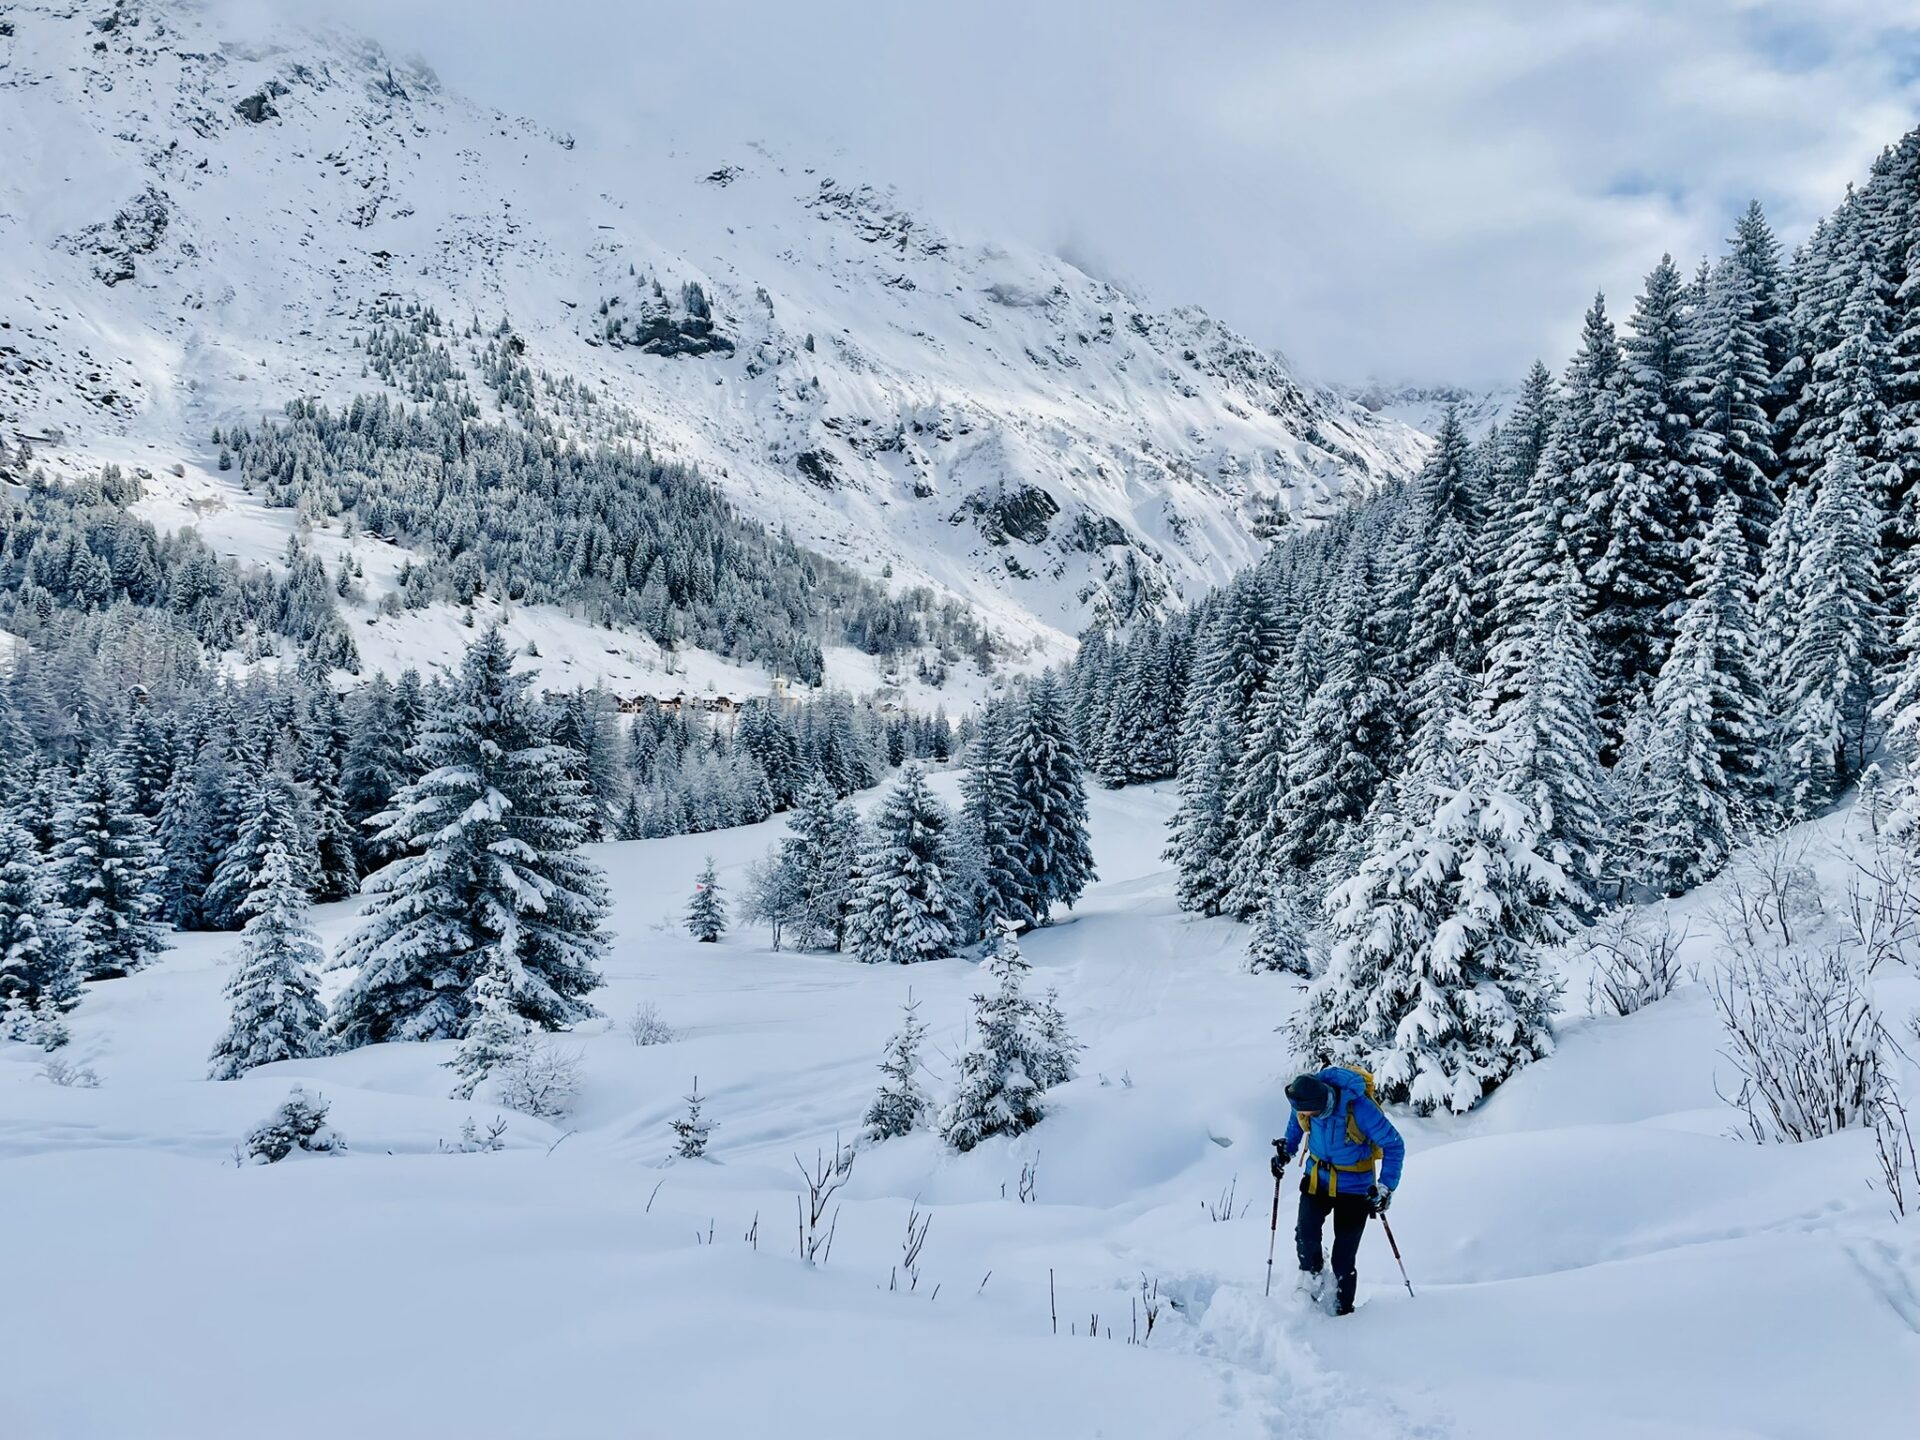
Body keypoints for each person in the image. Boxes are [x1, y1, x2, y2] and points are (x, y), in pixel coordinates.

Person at [1269, 1066, 1404, 1315]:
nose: (1303, 1115)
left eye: (1307, 1112)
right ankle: (1311, 1279)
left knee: (1344, 1257)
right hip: (1316, 1180)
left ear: (1320, 1103)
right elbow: (1295, 1130)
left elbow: (1394, 1145)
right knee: (1305, 1235)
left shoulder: (1359, 1108)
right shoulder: (1304, 1103)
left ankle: (1343, 1312)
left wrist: (1385, 1188)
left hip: (1355, 1188)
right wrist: (1285, 1153)